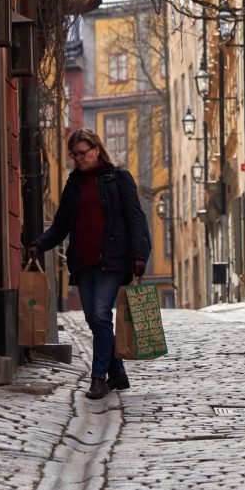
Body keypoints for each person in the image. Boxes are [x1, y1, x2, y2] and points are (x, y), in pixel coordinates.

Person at [26, 129, 151, 400]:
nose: (78, 159)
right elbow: (61, 226)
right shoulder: (74, 185)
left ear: (96, 149)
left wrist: (139, 255)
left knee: (99, 314)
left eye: (83, 153)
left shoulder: (118, 178)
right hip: (83, 260)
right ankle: (116, 372)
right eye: (74, 154)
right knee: (94, 319)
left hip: (113, 259)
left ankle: (98, 379)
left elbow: (136, 218)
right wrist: (40, 244)